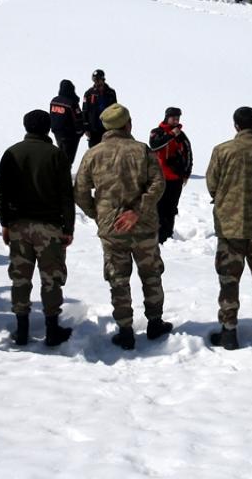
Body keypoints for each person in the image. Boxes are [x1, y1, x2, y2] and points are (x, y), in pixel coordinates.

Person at [74, 104, 171, 349]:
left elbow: (81, 191)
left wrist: (98, 215)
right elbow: (158, 184)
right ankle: (155, 323)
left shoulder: (93, 154)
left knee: (118, 278)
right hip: (144, 226)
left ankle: (125, 330)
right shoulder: (142, 151)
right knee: (151, 275)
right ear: (128, 124)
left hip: (112, 229)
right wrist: (137, 211)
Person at [205, 107, 252, 350]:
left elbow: (212, 184)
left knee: (229, 280)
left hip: (230, 228)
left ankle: (229, 333)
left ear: (235, 125)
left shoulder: (222, 151)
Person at [0, 110, 76, 347]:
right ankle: (52, 330)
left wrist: (5, 222)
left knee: (20, 278)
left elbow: (1, 190)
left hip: (19, 226)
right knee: (51, 278)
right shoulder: (56, 155)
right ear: (48, 128)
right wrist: (68, 227)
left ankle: (22, 331)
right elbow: (66, 195)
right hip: (50, 226)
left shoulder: (11, 153)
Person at [148, 107, 193, 244]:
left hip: (175, 178)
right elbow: (154, 145)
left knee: (171, 208)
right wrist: (171, 135)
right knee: (158, 207)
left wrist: (186, 173)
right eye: (173, 118)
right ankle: (157, 235)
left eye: (178, 118)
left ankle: (168, 235)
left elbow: (188, 153)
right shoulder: (157, 132)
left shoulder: (181, 135)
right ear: (167, 117)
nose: (176, 121)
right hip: (158, 178)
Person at [49, 79, 85, 165]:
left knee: (61, 153)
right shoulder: (71, 103)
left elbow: (51, 115)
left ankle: (60, 172)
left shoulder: (54, 101)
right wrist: (80, 132)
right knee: (68, 158)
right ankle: (64, 175)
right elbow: (77, 119)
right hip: (70, 135)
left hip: (57, 132)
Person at [82, 69, 119, 147]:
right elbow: (85, 111)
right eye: (94, 80)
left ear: (103, 79)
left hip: (107, 128)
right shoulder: (89, 93)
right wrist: (86, 128)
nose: (96, 83)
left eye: (98, 80)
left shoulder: (111, 93)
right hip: (93, 129)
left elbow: (115, 109)